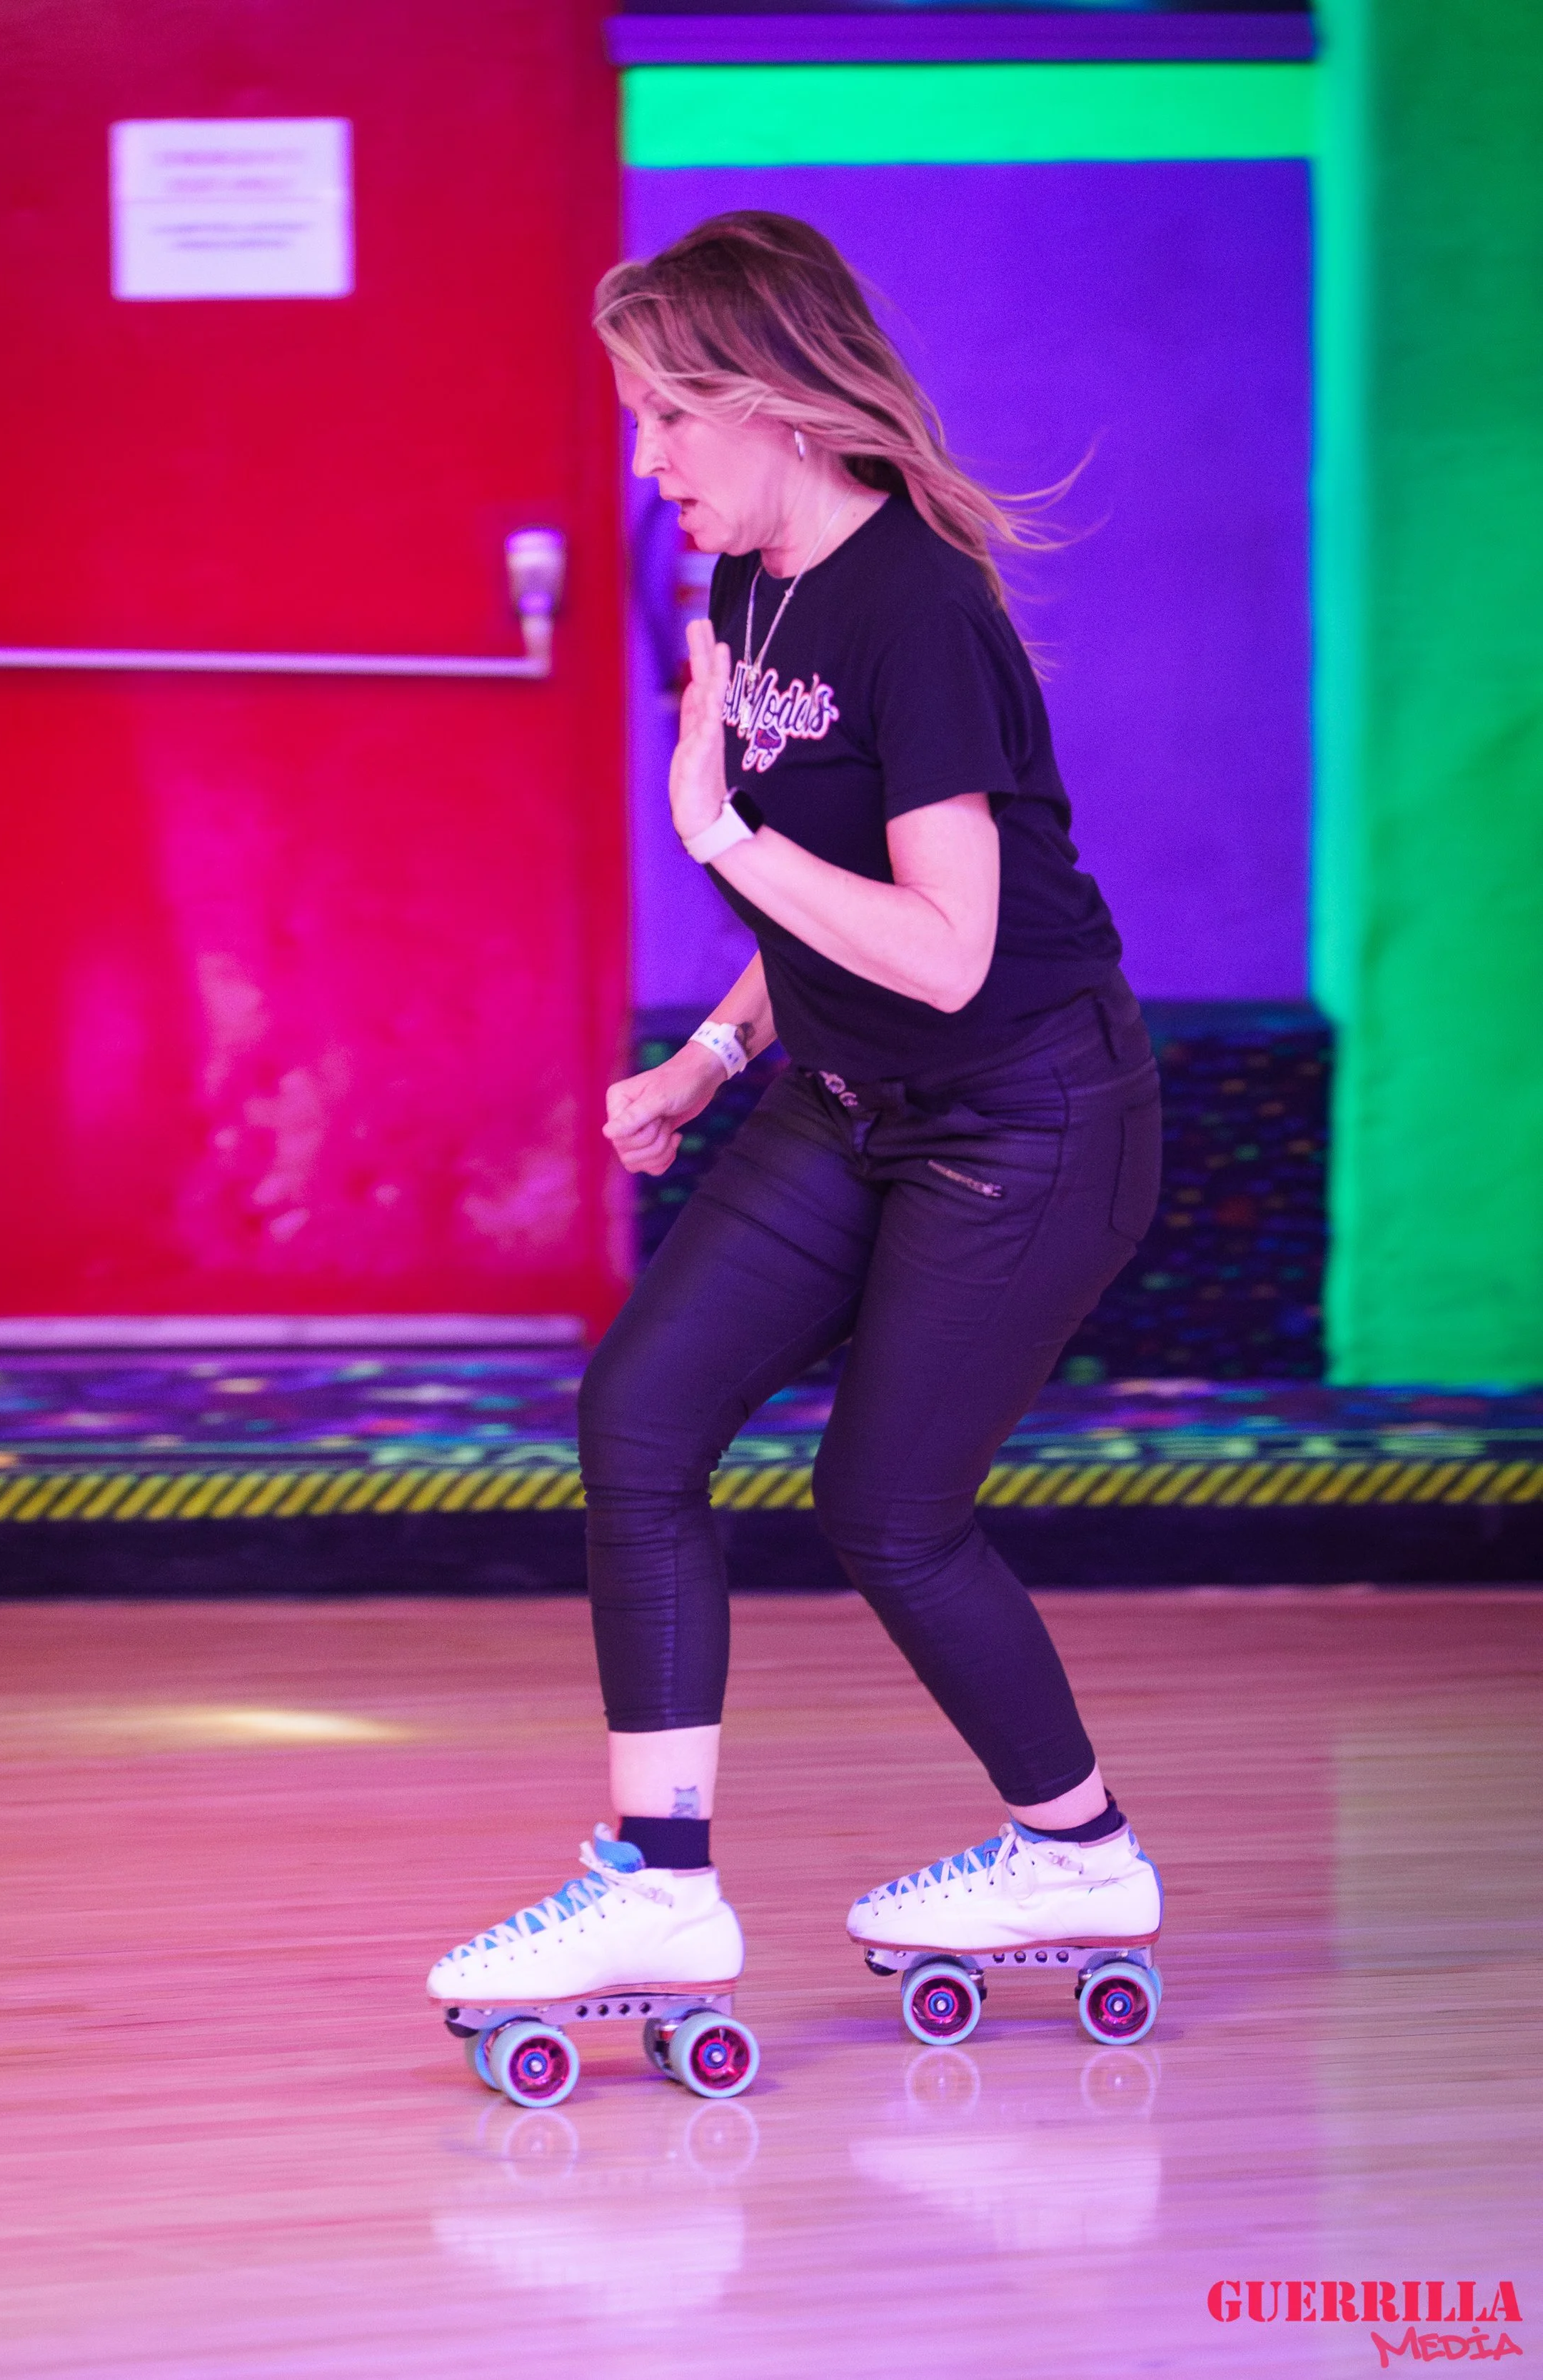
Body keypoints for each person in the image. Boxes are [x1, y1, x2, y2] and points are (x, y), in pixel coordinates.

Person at [428, 212, 1163, 2021]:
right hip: (845, 1094)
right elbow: (819, 902)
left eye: (667, 418)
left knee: (886, 1504)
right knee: (643, 1411)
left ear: (772, 402)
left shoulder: (921, 612)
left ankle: (1077, 1848)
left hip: (1024, 1115)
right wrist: (710, 1056)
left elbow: (944, 945)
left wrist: (720, 836)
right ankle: (658, 1885)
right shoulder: (746, 588)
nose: (645, 460)